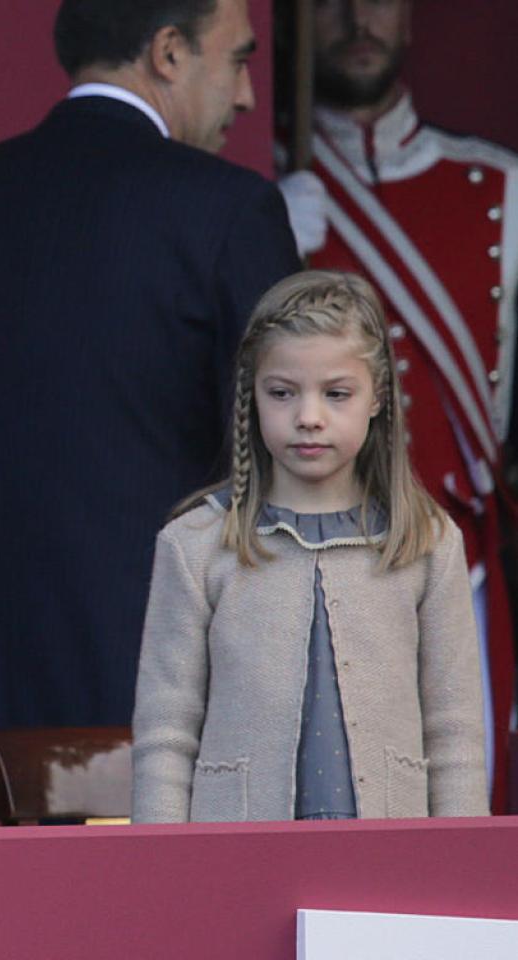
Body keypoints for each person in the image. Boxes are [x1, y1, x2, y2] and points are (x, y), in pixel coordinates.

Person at [0, 0, 299, 806]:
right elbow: (287, 474)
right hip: (169, 729)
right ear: (168, 52)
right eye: (237, 61)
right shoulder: (231, 213)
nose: (245, 98)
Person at [132, 270, 487, 822]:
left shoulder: (427, 542)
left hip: (389, 869)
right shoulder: (195, 544)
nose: (308, 417)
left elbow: (455, 735)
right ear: (252, 394)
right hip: (237, 865)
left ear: (378, 398)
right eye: (282, 393)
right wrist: (162, 877)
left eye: (337, 393)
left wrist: (459, 874)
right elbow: (165, 735)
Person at [276, 0, 515, 809]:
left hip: (460, 560)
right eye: (328, 4)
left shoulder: (499, 188)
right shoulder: (265, 187)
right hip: (305, 558)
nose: (354, 18)